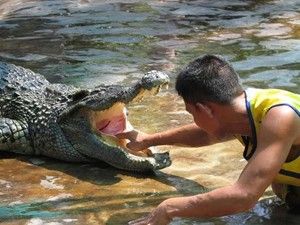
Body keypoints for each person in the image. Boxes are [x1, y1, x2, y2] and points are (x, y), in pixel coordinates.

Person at [116, 54, 300, 225]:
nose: (194, 119)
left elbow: (244, 196)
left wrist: (170, 207)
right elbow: (205, 133)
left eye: (191, 112)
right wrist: (148, 140)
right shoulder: (242, 112)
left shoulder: (280, 116)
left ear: (205, 110)